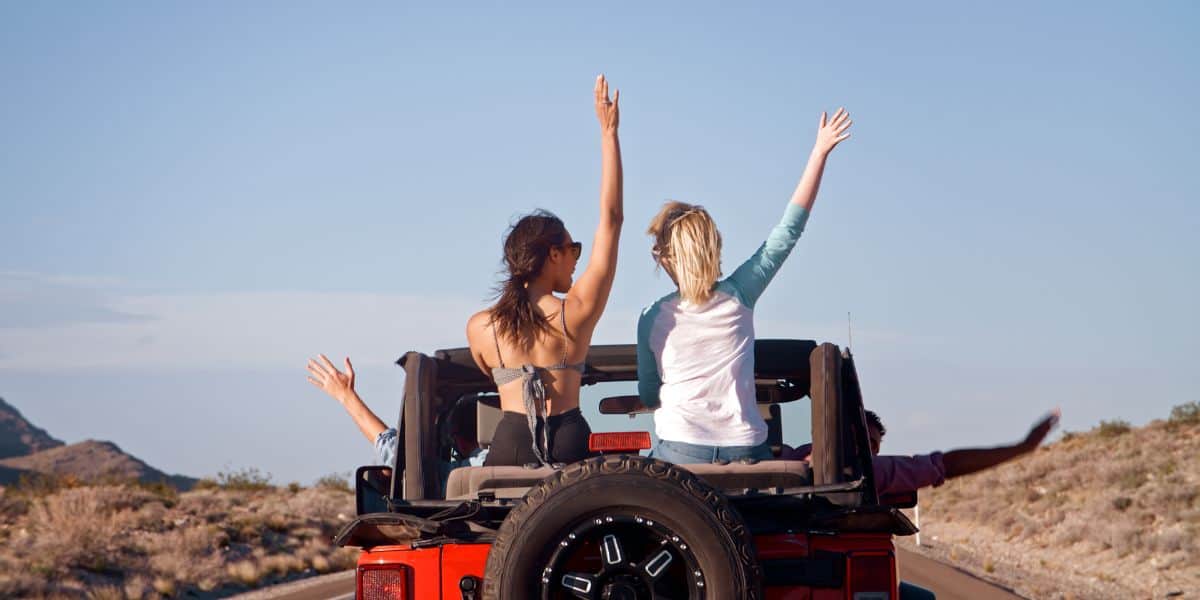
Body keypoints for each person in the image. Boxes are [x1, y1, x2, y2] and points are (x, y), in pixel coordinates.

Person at [308, 75, 623, 468]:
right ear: (552, 255)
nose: (578, 258)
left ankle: (350, 403)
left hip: (510, 445)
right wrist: (608, 134)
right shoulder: (574, 313)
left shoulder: (481, 328)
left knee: (418, 466)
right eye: (573, 249)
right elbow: (611, 220)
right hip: (571, 444)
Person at [636, 108, 852, 464]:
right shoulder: (739, 295)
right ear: (713, 249)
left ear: (664, 258)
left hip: (680, 450)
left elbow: (649, 393)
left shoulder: (651, 317)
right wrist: (819, 152)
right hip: (746, 450)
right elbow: (787, 232)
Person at [780, 408, 1062, 496]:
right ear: (839, 432)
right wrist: (1022, 448)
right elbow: (946, 466)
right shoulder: (858, 471)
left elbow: (942, 465)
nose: (867, 449)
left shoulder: (778, 458)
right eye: (862, 438)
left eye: (874, 446)